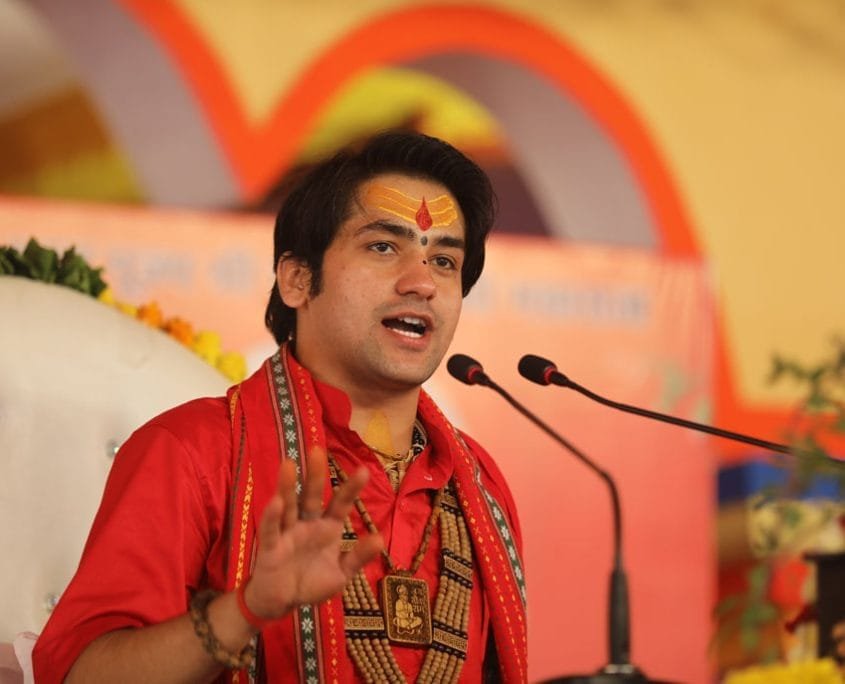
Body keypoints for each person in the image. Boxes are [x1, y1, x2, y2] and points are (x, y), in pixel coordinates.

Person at [32, 131, 527, 683]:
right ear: (297, 280)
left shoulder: (477, 487)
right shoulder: (194, 451)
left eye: (444, 261)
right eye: (384, 247)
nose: (422, 283)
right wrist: (243, 611)